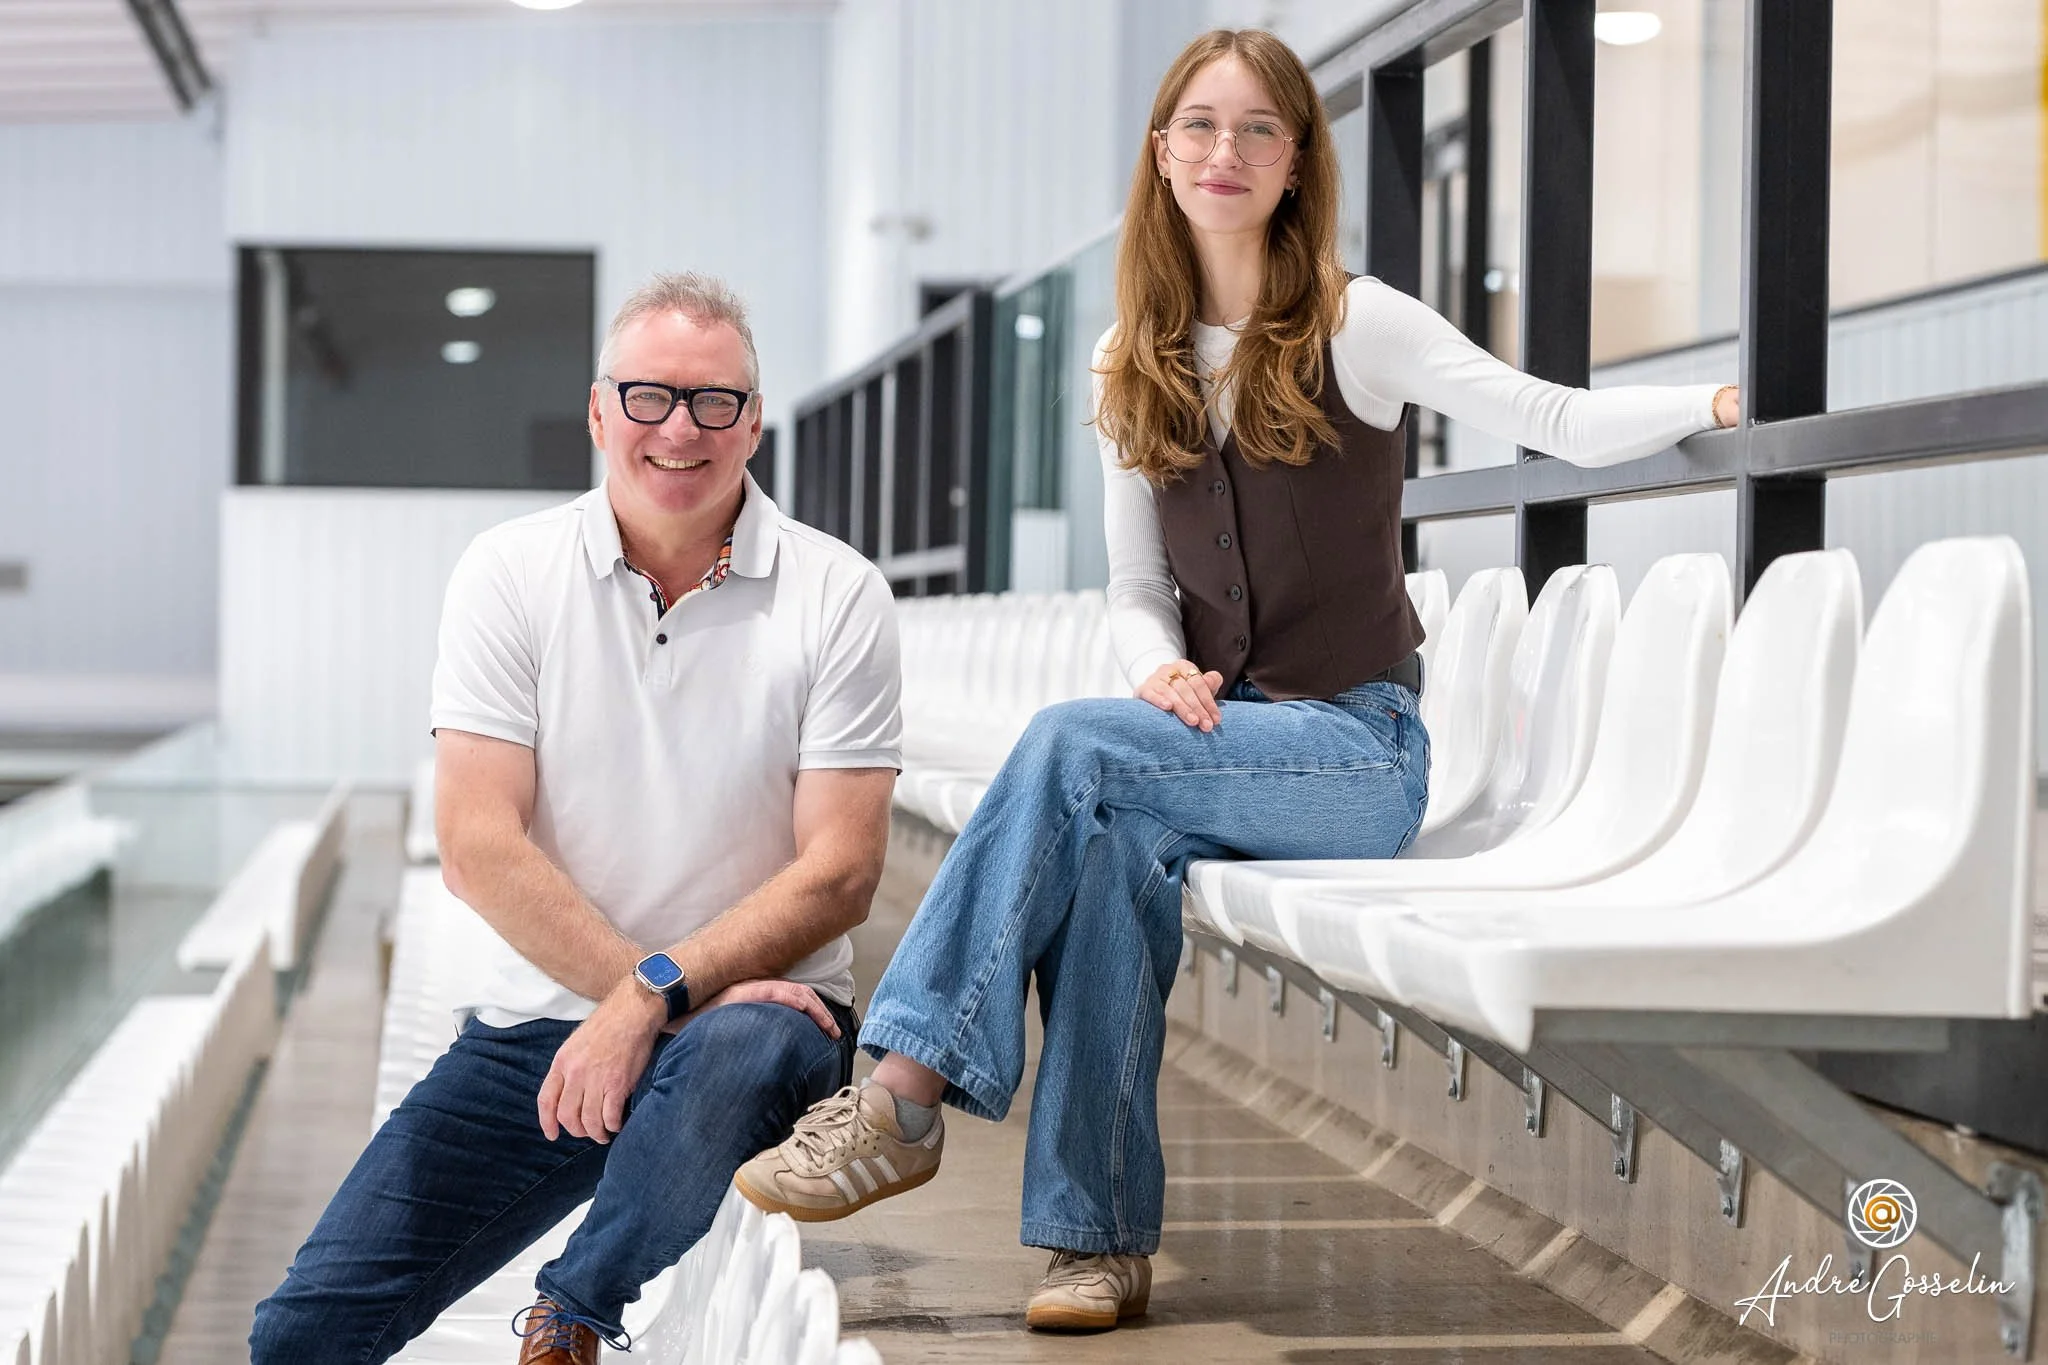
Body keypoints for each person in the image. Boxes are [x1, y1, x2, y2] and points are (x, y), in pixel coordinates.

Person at [735, 27, 1741, 1333]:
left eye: (1259, 128)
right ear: (1162, 153)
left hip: (1358, 750)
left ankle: (901, 1095)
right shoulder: (1128, 355)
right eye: (1200, 126)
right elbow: (1134, 584)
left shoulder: (1358, 322)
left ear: (1296, 161)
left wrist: (1712, 403)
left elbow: (1545, 415)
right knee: (1109, 851)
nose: (1226, 150)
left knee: (1072, 746)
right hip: (1222, 741)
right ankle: (1094, 1247)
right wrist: (1156, 666)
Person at [249, 273, 903, 1365]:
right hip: (547, 1029)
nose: (678, 429)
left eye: (713, 402)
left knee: (741, 1047)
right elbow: (478, 845)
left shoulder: (837, 593)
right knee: (299, 1337)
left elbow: (839, 873)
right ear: (600, 412)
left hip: (756, 1032)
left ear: (753, 424)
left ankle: (571, 1316)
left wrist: (656, 998)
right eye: (648, 396)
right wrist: (642, 998)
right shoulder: (509, 573)